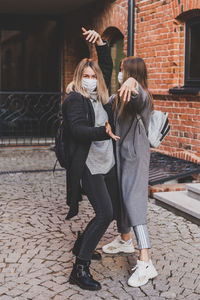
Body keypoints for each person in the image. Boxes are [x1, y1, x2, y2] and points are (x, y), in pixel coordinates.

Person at [62, 27, 120, 291]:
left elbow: (106, 65)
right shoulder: (75, 98)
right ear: (78, 77)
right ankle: (80, 267)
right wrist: (102, 132)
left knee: (111, 209)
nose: (90, 79)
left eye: (93, 76)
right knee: (105, 213)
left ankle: (80, 243)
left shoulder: (100, 96)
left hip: (106, 161)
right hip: (88, 164)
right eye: (85, 76)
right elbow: (76, 130)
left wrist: (102, 44)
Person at [103, 56, 158, 288]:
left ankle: (146, 261)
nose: (119, 72)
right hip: (120, 156)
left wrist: (133, 83)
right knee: (122, 199)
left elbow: (138, 97)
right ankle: (125, 239)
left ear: (131, 72)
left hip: (135, 158)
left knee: (134, 202)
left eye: (122, 70)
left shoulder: (140, 96)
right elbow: (105, 105)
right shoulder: (119, 97)